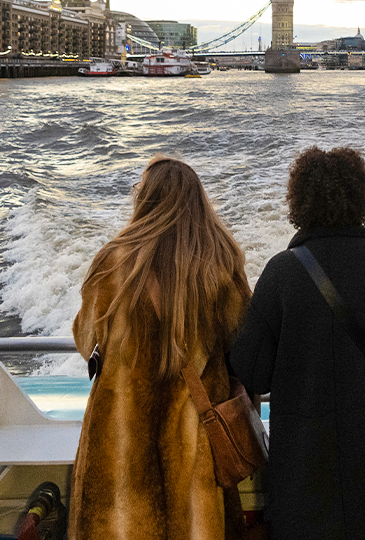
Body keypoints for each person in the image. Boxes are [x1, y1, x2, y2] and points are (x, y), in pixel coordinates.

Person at [230, 147, 365, 540]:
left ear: (298, 203)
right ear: (362, 199)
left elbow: (250, 370)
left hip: (303, 463)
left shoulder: (280, 272)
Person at [69, 155, 253, 539]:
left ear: (145, 200)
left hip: (121, 442)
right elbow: (244, 347)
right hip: (195, 443)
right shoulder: (221, 265)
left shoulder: (111, 262)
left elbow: (86, 342)